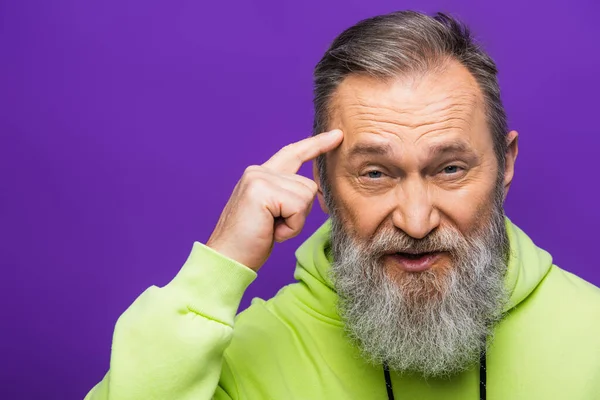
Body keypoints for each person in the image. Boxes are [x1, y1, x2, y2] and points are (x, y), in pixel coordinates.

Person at [85, 11, 600, 400]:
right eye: (375, 173)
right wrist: (218, 270)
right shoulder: (237, 358)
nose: (416, 221)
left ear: (504, 164)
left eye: (449, 169)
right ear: (323, 181)